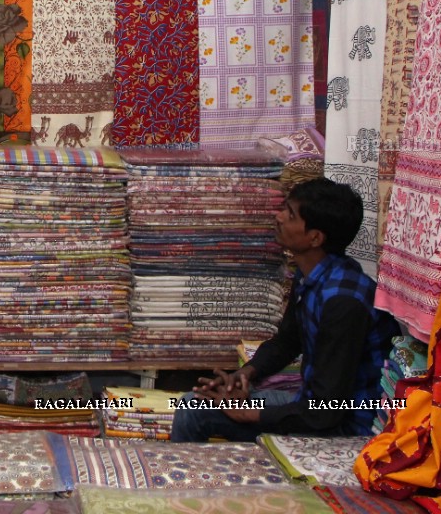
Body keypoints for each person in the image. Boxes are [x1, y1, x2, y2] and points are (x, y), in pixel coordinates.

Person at [170, 178, 400, 442]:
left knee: (193, 411)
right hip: (311, 406)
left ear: (315, 237)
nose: (278, 217)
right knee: (194, 403)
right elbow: (288, 341)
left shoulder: (344, 303)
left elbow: (327, 410)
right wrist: (245, 373)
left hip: (348, 424)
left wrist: (254, 416)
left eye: (289, 214)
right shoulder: (312, 275)